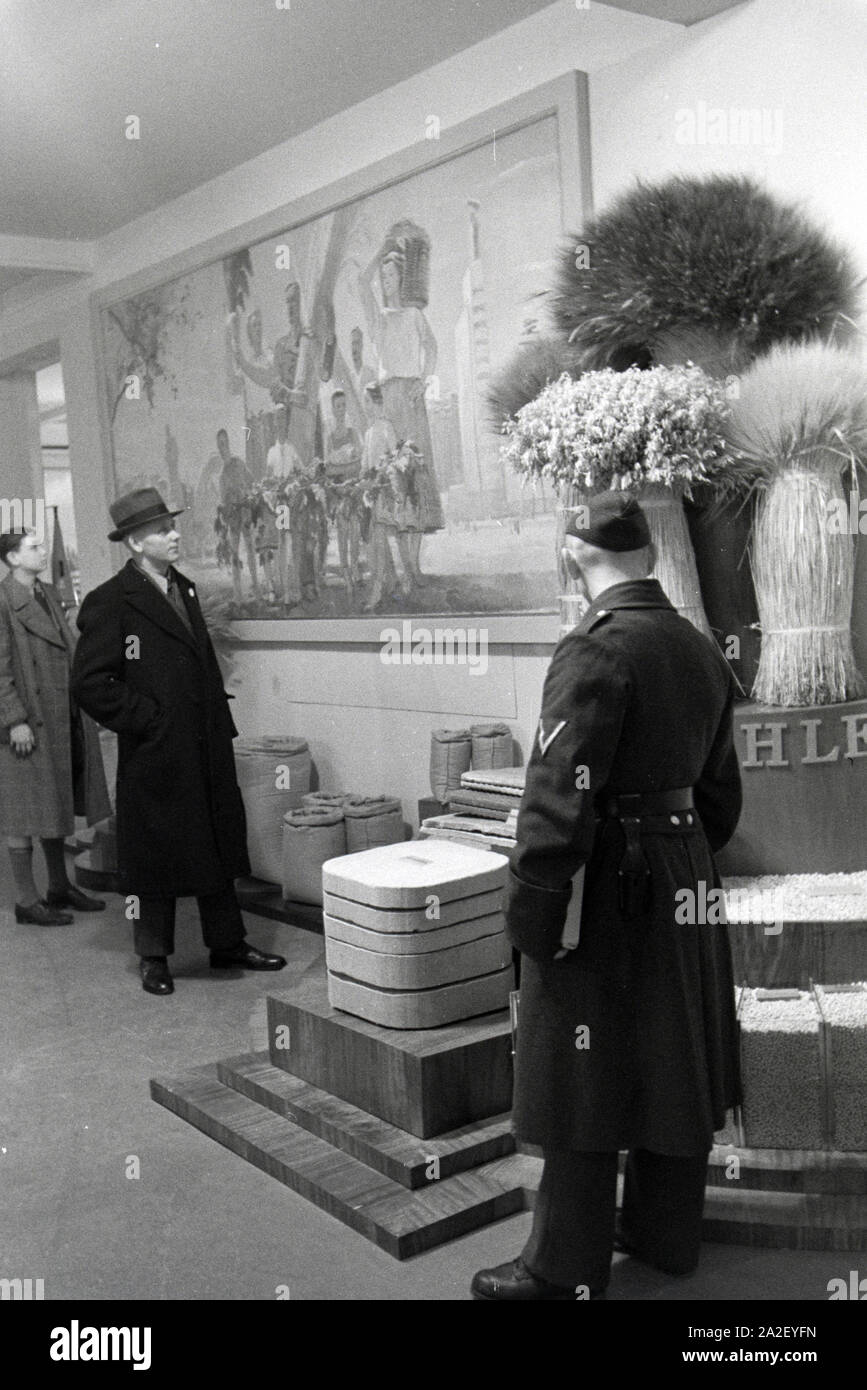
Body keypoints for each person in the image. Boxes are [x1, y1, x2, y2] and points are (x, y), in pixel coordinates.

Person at [471, 493, 742, 1301]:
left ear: (572, 555)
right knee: (671, 1052)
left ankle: (558, 1270)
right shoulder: (698, 648)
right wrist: (678, 855)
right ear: (647, 556)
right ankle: (663, 1236)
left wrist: (532, 912)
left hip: (603, 882)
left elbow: (556, 802)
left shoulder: (591, 651)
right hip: (683, 871)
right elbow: (720, 797)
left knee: (578, 1068)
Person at [70, 488, 286, 996]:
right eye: (164, 528)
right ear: (135, 541)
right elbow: (90, 684)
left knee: (215, 843)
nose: (174, 534)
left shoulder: (183, 589)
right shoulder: (110, 602)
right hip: (156, 752)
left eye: (173, 525)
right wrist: (149, 719)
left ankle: (228, 942)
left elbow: (200, 665)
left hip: (204, 745)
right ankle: (153, 957)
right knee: (155, 856)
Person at [0, 530, 109, 925]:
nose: (43, 552)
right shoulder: (4, 600)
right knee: (23, 813)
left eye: (42, 546)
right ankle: (27, 901)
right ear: (12, 559)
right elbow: (0, 669)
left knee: (52, 803)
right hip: (27, 722)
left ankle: (59, 887)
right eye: (33, 548)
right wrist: (14, 721)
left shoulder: (46, 592)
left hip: (60, 714)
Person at [358, 246, 444, 581]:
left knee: (416, 477)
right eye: (383, 276)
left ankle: (414, 563)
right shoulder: (378, 318)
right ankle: (401, 566)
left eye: (391, 274)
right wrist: (381, 250)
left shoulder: (414, 315)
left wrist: (423, 382)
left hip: (411, 399)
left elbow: (433, 348)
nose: (385, 281)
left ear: (401, 278)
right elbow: (360, 281)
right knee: (393, 479)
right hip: (388, 401)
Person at [216, 428, 260, 603]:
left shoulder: (238, 463)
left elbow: (251, 481)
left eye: (224, 443)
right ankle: (238, 595)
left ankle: (257, 591)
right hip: (233, 518)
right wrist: (225, 512)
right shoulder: (222, 475)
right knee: (234, 554)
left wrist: (249, 500)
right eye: (219, 444)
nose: (222, 447)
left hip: (245, 513)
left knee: (250, 551)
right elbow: (222, 500)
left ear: (228, 443)